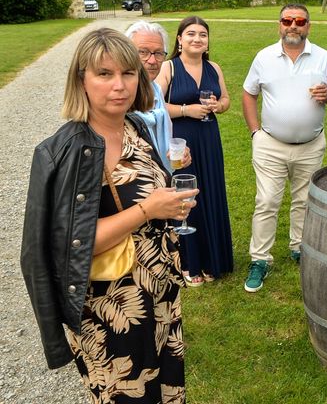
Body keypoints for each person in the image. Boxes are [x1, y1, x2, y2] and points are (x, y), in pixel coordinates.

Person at [21, 28, 198, 403]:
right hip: (111, 310)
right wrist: (148, 209)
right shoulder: (68, 151)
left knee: (167, 394)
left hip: (160, 295)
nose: (119, 85)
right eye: (104, 74)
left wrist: (168, 206)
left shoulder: (135, 128)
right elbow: (67, 247)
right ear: (81, 80)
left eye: (128, 73)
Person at [241, 3, 327, 292]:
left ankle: (300, 247)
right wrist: (255, 133)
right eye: (287, 20)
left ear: (308, 26)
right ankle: (260, 258)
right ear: (280, 25)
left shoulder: (322, 57)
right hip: (270, 145)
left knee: (304, 200)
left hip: (311, 145)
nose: (293, 25)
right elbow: (249, 94)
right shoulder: (264, 57)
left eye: (300, 21)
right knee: (267, 202)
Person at [155, 16, 234, 286]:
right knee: (186, 196)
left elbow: (226, 101)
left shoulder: (214, 67)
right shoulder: (169, 68)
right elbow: (154, 106)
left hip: (209, 138)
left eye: (202, 34)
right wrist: (186, 110)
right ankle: (189, 263)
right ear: (179, 39)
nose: (197, 39)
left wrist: (217, 106)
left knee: (211, 193)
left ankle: (214, 259)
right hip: (181, 141)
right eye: (191, 34)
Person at [125, 21, 174, 171]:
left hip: (161, 178)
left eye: (158, 53)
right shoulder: (120, 97)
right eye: (143, 52)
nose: (152, 61)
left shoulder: (156, 90)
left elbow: (166, 143)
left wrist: (175, 153)